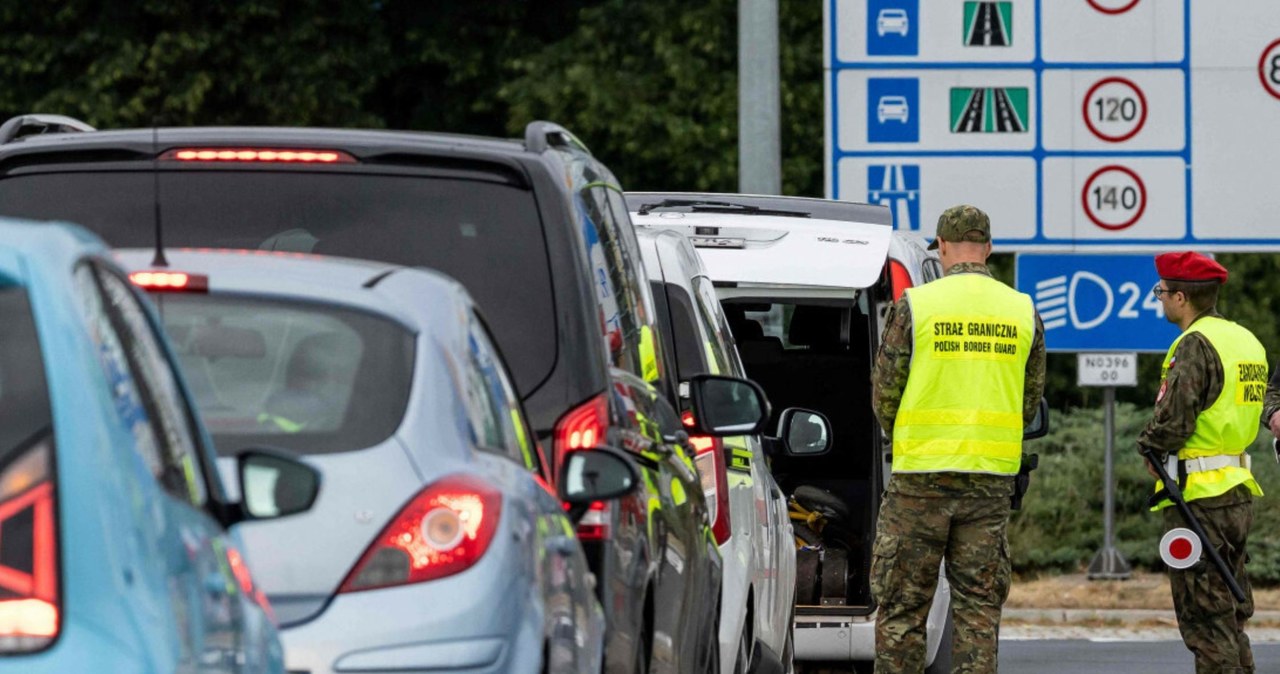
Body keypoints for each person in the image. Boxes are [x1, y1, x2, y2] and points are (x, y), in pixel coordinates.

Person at [870, 204, 1046, 673]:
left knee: (903, 610)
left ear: (942, 247)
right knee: (978, 611)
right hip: (989, 485)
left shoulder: (917, 305)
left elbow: (884, 392)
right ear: (988, 248)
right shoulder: (1022, 310)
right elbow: (1029, 402)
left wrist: (904, 435)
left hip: (920, 482)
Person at [1138, 251, 1266, 674]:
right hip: (1236, 490)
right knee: (1229, 614)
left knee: (1206, 622)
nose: (1159, 300)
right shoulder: (1246, 341)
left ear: (1180, 297)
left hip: (1197, 498)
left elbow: (1175, 418)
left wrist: (1149, 447)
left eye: (1162, 292)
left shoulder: (1195, 344)